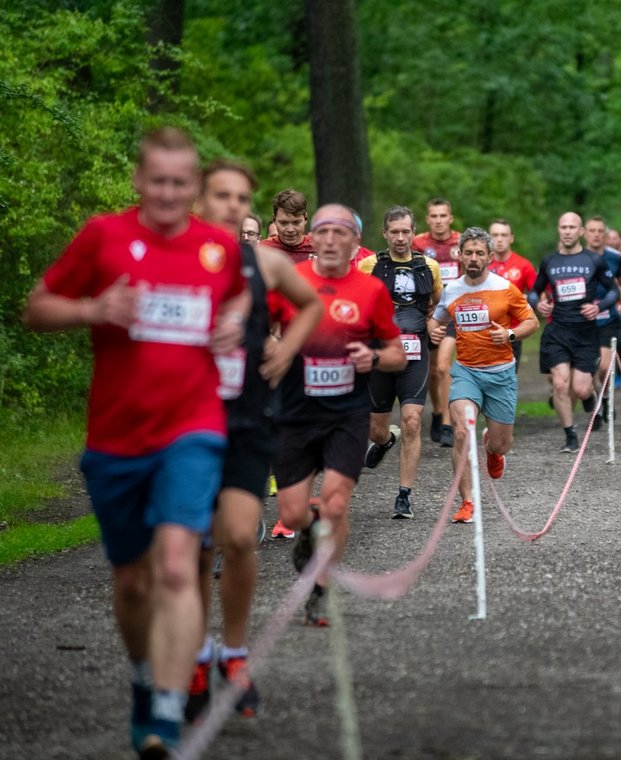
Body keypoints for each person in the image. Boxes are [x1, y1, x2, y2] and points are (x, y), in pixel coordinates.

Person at [22, 127, 248, 759]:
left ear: (195, 186)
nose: (171, 194)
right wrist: (93, 310)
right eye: (159, 182)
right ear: (139, 182)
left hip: (193, 426)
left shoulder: (215, 248)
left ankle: (169, 719)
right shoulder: (104, 236)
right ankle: (147, 679)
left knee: (178, 564)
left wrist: (230, 326)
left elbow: (236, 298)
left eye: (182, 183)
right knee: (132, 582)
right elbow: (36, 308)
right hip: (117, 437)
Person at [186, 159, 323, 720]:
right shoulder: (176, 258)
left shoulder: (262, 262)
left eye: (240, 198)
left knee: (240, 538)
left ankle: (234, 653)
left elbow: (311, 304)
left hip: (245, 415)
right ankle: (196, 656)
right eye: (221, 196)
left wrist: (285, 349)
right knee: (198, 543)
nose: (230, 207)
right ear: (200, 202)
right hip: (187, 417)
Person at [269, 204, 406, 626]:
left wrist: (374, 356)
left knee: (336, 503)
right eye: (322, 231)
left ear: (354, 244)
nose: (330, 239)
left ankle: (321, 588)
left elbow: (398, 354)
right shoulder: (291, 284)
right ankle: (308, 534)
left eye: (339, 232)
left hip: (346, 413)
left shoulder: (370, 291)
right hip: (294, 412)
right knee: (292, 514)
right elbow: (259, 329)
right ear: (313, 239)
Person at [428, 227, 539, 523]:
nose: (474, 258)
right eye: (468, 252)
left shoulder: (505, 287)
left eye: (479, 253)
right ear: (459, 255)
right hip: (466, 372)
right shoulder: (451, 290)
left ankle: (494, 449)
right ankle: (467, 501)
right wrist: (433, 330)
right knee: (463, 431)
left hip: (501, 374)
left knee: (502, 443)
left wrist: (512, 333)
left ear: (489, 256)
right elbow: (435, 319)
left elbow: (532, 321)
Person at [358, 206, 443, 519]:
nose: (400, 237)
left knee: (411, 420)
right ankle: (385, 441)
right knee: (375, 430)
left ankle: (404, 496)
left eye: (406, 231)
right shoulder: (370, 265)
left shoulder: (429, 266)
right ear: (385, 234)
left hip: (415, 351)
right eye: (394, 232)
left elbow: (437, 303)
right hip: (381, 353)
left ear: (413, 233)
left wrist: (434, 323)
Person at [529, 212, 620, 452]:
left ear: (580, 232)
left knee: (580, 388)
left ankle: (591, 400)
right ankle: (570, 436)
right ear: (558, 230)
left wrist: (598, 306)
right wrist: (538, 303)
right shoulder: (549, 261)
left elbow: (614, 291)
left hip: (585, 333)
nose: (567, 231)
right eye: (563, 227)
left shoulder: (594, 260)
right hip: (557, 331)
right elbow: (533, 292)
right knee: (560, 384)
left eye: (572, 227)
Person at [413, 198, 461, 447]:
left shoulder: (461, 242)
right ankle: (438, 411)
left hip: (455, 314)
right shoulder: (418, 244)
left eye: (444, 215)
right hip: (430, 314)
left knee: (444, 366)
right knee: (432, 371)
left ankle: (447, 424)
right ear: (428, 219)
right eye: (434, 216)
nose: (439, 220)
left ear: (451, 218)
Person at [584, 215, 621, 425]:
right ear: (584, 233)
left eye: (600, 231)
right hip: (584, 320)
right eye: (592, 231)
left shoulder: (614, 257)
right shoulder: (577, 257)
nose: (596, 235)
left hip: (608, 318)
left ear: (605, 234)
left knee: (603, 366)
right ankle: (596, 403)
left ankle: (606, 397)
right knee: (589, 367)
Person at [487, 218, 537, 371]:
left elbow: (537, 293)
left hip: (512, 331)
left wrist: (530, 301)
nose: (499, 240)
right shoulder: (482, 264)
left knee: (507, 381)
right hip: (484, 332)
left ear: (511, 238)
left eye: (503, 235)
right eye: (495, 235)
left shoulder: (524, 265)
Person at [259, 188, 312, 263]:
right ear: (274, 220)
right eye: (283, 223)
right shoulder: (263, 250)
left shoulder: (318, 247)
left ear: (305, 219)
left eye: (296, 222)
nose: (290, 229)